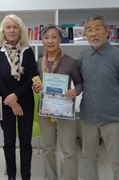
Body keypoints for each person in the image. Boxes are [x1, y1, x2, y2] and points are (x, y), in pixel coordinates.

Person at [77, 15, 119, 180]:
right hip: (88, 117)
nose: (94, 33)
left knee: (118, 161)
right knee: (88, 158)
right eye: (89, 30)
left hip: (114, 119)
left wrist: (114, 103)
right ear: (85, 34)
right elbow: (80, 84)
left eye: (98, 28)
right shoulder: (82, 57)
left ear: (107, 31)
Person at [32, 24, 83, 180]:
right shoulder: (39, 62)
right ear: (42, 41)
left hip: (64, 109)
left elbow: (80, 83)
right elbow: (36, 85)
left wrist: (75, 91)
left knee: (68, 150)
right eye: (46, 38)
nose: (50, 41)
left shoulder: (70, 62)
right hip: (46, 109)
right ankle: (50, 177)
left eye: (54, 37)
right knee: (48, 148)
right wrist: (36, 88)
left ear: (60, 39)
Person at [0, 14, 38, 180]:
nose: (11, 30)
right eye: (8, 27)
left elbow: (32, 76)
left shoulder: (28, 51)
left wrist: (16, 96)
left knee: (26, 142)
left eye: (15, 27)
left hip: (25, 102)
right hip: (5, 103)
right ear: (3, 31)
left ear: (20, 30)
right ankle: (11, 175)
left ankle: (26, 175)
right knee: (9, 142)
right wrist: (11, 101)